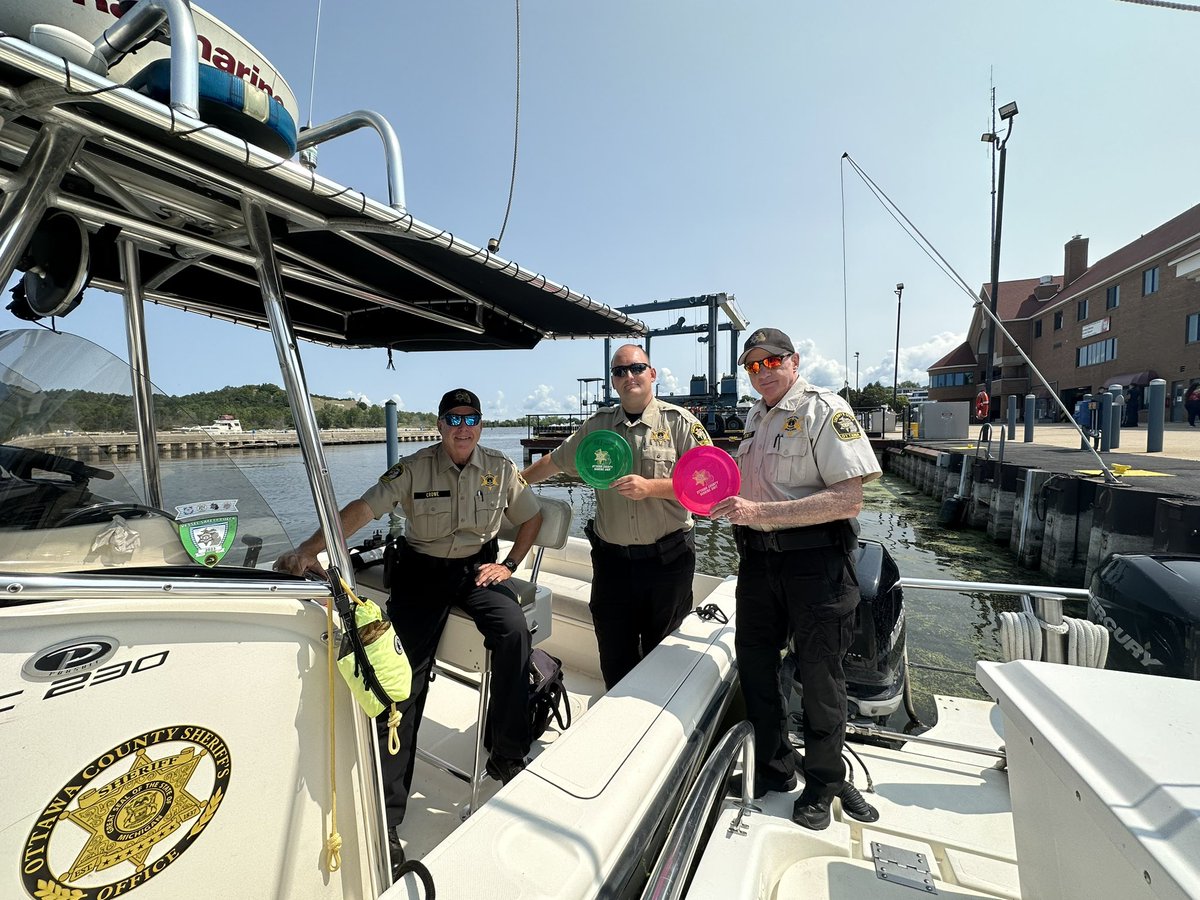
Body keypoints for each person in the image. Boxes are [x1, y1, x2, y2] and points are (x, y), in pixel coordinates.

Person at [275, 388, 542, 869]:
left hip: (477, 570)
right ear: (440, 426)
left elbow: (533, 517)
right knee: (403, 681)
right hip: (422, 574)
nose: (463, 428)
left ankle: (506, 751)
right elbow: (362, 509)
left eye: (472, 419)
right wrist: (311, 549)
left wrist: (510, 564)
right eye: (453, 419)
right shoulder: (414, 468)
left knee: (514, 631)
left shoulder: (500, 468)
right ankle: (388, 813)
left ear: (481, 425)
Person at [710, 327, 882, 831]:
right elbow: (745, 488)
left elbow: (848, 499)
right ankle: (775, 767)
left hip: (815, 565)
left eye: (771, 361)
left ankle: (824, 783)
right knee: (756, 667)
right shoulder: (755, 417)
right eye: (752, 365)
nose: (761, 372)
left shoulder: (825, 410)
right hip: (758, 563)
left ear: (794, 361)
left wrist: (759, 512)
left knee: (820, 678)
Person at [521, 344, 712, 689]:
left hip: (667, 562)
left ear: (652, 374)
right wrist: (515, 485)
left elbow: (709, 485)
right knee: (614, 655)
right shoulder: (597, 427)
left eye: (637, 368)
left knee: (662, 656)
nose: (629, 376)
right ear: (613, 381)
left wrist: (650, 488)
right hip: (613, 566)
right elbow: (554, 462)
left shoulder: (679, 424)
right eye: (620, 371)